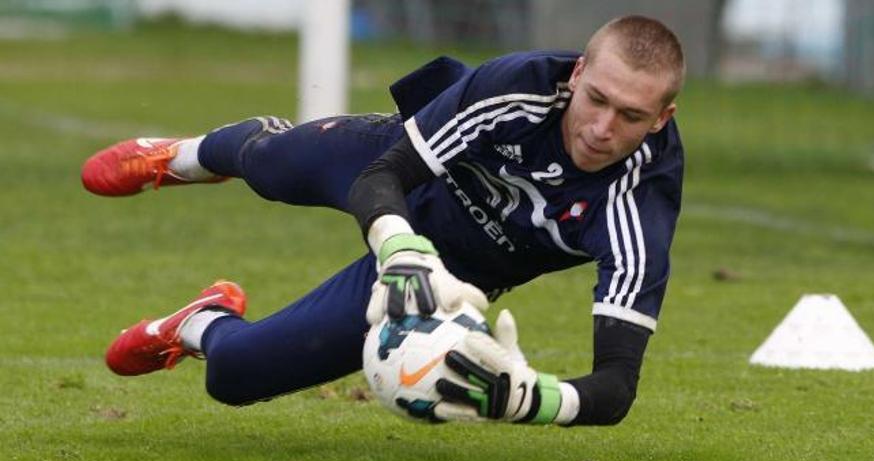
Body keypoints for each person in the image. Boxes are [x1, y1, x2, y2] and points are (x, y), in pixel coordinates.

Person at [82, 15, 685, 426]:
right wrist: (400, 249)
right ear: (577, 74)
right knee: (272, 163)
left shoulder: (640, 206)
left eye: (630, 115)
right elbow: (381, 178)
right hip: (409, 172)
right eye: (597, 99)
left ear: (661, 119)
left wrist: (532, 398)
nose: (603, 129)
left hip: (456, 267)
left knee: (236, 376)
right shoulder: (521, 87)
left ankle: (196, 322)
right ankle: (182, 158)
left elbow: (616, 386)